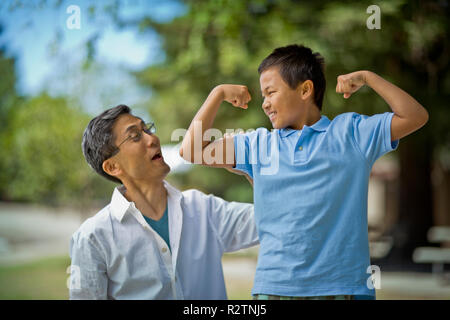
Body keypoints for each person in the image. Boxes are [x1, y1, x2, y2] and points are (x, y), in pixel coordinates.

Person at [179, 44, 429, 300]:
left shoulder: (351, 133)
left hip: (345, 290)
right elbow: (191, 151)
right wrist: (218, 94)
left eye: (270, 92)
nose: (264, 104)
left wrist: (368, 77)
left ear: (305, 90)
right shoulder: (257, 145)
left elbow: (415, 116)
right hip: (274, 289)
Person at [69, 104, 258, 300]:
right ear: (113, 166)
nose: (152, 139)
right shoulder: (93, 237)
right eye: (135, 136)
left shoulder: (204, 209)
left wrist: (248, 168)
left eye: (147, 129)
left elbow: (274, 220)